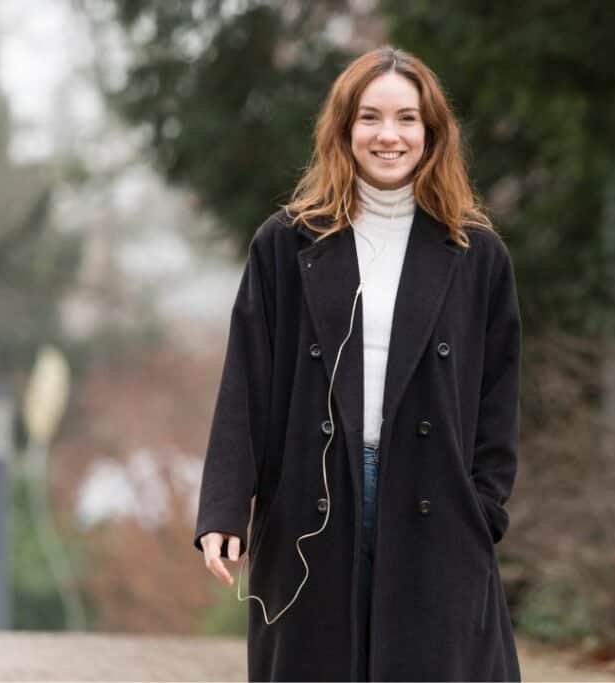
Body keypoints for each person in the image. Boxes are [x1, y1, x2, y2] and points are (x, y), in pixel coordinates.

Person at [194, 45, 522, 682]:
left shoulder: (476, 253)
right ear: (344, 129)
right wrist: (224, 509)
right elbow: (246, 382)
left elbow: (499, 396)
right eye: (370, 117)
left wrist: (484, 507)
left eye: (406, 118)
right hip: (312, 499)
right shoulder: (286, 242)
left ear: (432, 132)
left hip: (436, 504)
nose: (388, 135)